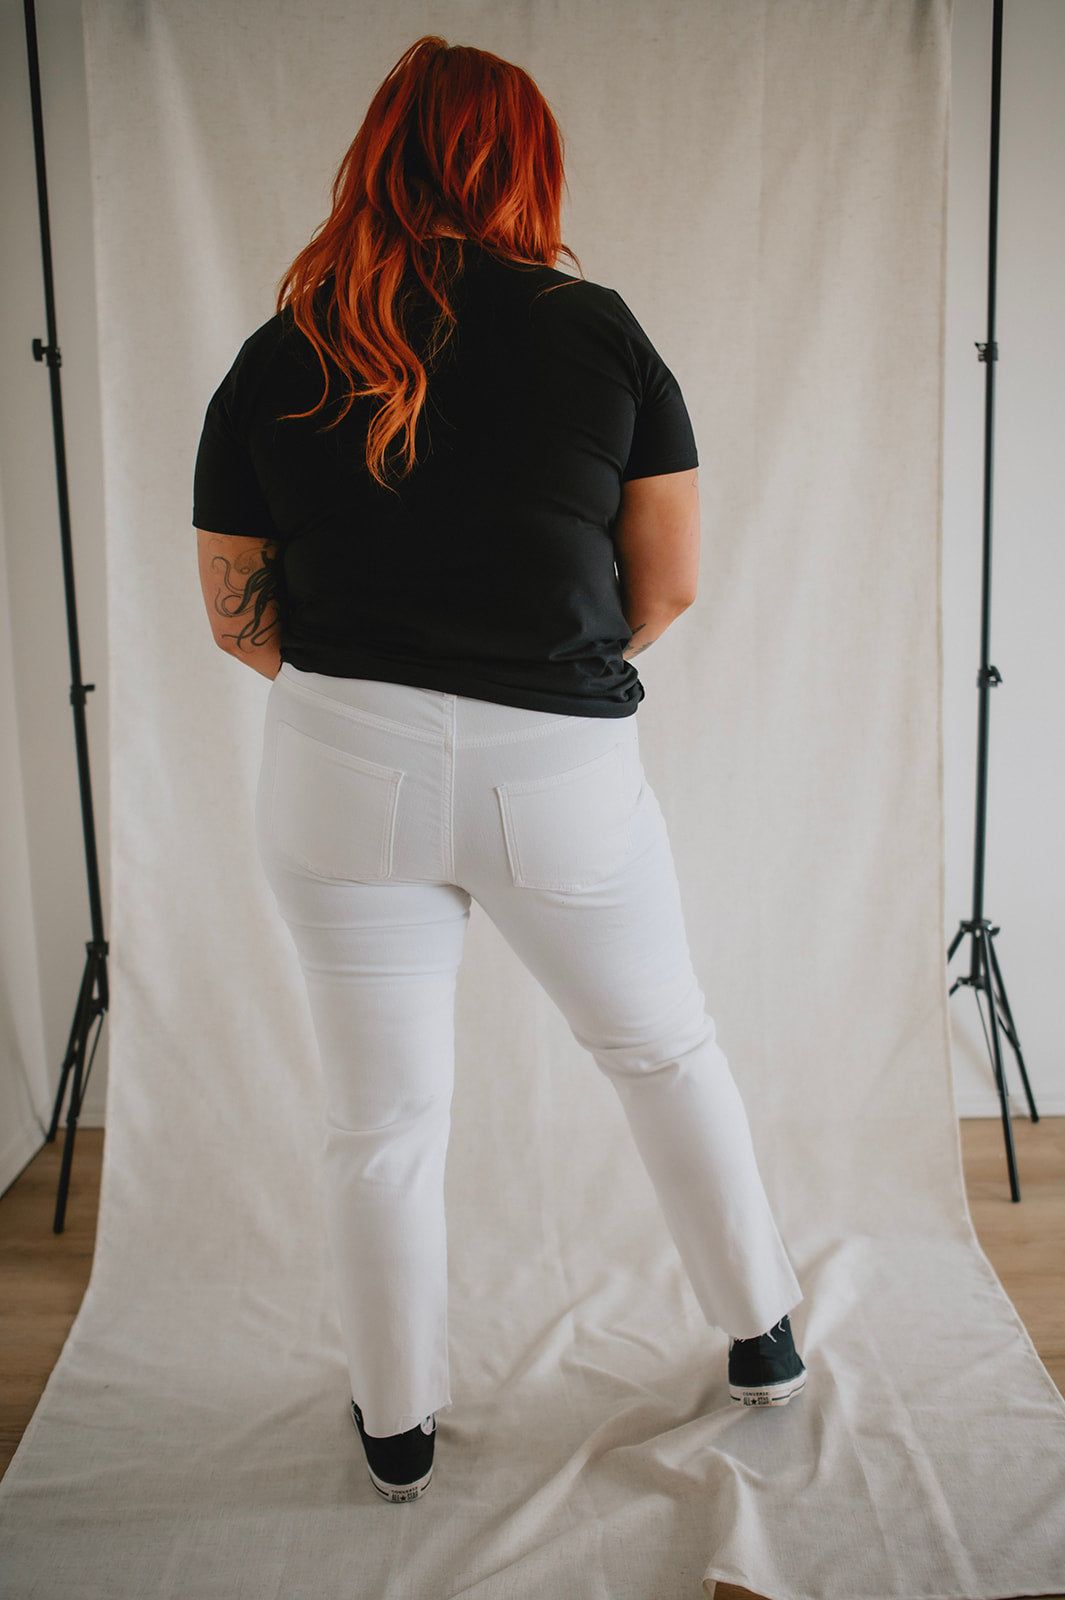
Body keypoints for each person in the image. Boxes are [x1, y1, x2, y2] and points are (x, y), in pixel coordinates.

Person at [193, 34, 805, 1505]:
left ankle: (395, 1428)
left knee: (382, 1119)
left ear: (373, 159)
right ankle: (763, 1339)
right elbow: (668, 584)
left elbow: (235, 616)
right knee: (662, 1050)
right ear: (527, 166)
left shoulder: (279, 352)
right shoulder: (597, 332)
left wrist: (380, 698)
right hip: (559, 765)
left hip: (340, 764)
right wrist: (530, 677)